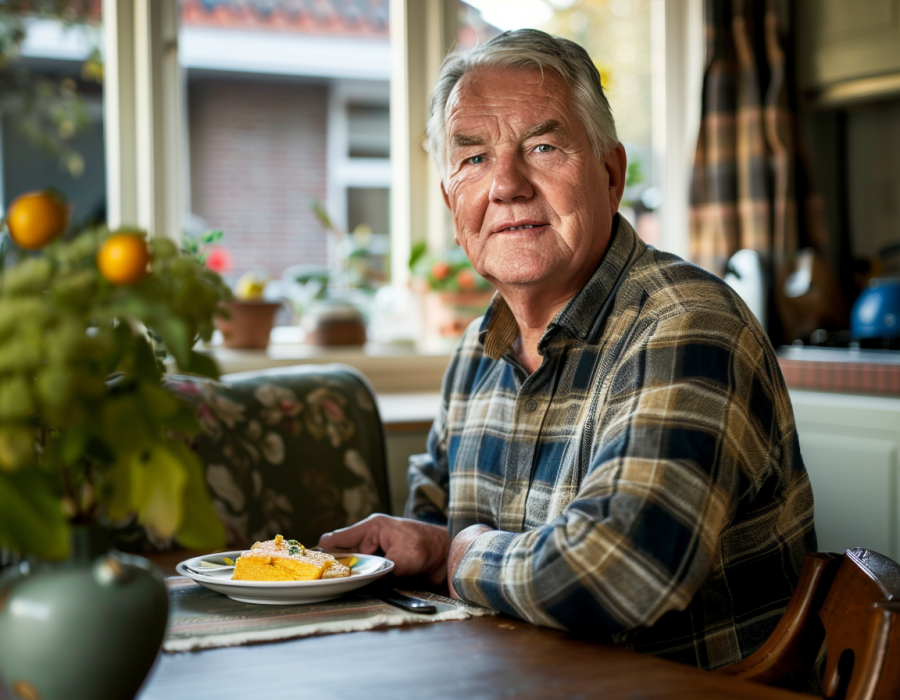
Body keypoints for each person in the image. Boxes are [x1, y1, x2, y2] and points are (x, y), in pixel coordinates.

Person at [319, 28, 815, 669]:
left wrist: (454, 556)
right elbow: (431, 549)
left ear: (611, 174)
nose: (506, 185)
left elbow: (622, 571)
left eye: (543, 147)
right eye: (474, 159)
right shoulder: (476, 352)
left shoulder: (687, 326)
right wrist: (428, 551)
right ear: (450, 201)